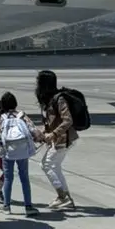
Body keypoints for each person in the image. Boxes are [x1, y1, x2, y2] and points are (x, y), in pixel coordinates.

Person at [35, 70, 78, 210]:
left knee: (47, 165)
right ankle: (66, 198)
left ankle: (63, 196)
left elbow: (68, 120)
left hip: (64, 139)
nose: (36, 84)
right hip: (58, 139)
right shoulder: (48, 100)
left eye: (39, 81)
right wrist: (43, 133)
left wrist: (53, 134)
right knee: (54, 166)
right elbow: (51, 121)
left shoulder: (59, 99)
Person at [0, 91, 41, 216]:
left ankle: (6, 206)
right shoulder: (22, 115)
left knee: (8, 178)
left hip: (8, 151)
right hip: (22, 150)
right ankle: (28, 206)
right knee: (24, 178)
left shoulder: (2, 118)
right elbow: (32, 129)